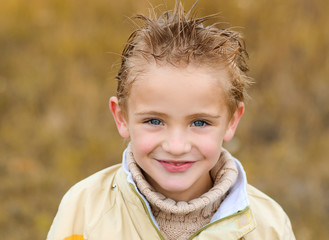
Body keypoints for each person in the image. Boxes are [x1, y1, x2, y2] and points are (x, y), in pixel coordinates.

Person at [47, 2, 295, 240]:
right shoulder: (83, 211)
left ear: (231, 121)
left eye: (199, 123)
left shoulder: (268, 226)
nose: (176, 147)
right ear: (121, 117)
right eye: (154, 121)